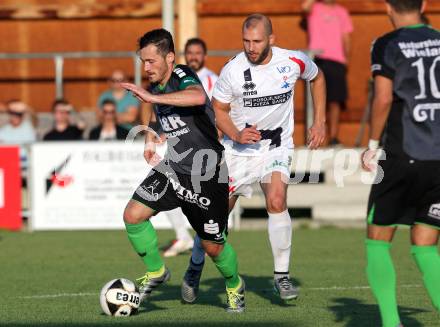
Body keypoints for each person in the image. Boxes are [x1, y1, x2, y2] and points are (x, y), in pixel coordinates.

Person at [182, 14, 326, 303]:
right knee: (215, 218)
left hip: (277, 148)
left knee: (276, 200)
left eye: (257, 41)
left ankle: (281, 277)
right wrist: (236, 134)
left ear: (272, 39)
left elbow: (318, 77)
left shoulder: (292, 61)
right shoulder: (233, 70)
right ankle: (195, 267)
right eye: (246, 41)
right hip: (238, 152)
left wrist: (319, 121)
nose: (250, 47)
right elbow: (218, 109)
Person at [120, 28, 245, 312]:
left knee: (213, 246)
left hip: (207, 174)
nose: (146, 67)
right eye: (143, 62)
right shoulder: (156, 87)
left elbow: (197, 97)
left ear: (170, 58)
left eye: (151, 61)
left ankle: (235, 285)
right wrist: (152, 134)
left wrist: (152, 100)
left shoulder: (182, 75)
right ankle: (156, 271)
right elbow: (156, 110)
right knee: (133, 216)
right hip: (174, 169)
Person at [361, 1, 440, 326]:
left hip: (402, 154)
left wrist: (370, 145)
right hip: (438, 159)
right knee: (425, 244)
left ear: (386, 6)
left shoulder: (387, 44)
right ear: (422, 4)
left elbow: (382, 98)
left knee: (377, 241)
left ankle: (392, 323)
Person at [159, 37, 222, 258]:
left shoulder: (213, 80)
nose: (194, 56)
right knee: (168, 187)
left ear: (204, 55)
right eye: (190, 53)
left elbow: (219, 113)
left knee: (202, 199)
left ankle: (206, 238)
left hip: (205, 147)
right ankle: (183, 236)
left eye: (198, 53)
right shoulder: (175, 78)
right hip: (180, 146)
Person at [302, 0, 353, 145]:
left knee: (335, 100)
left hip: (337, 60)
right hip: (317, 58)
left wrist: (346, 60)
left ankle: (334, 137)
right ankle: (312, 137)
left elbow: (346, 38)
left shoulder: (342, 12)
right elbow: (305, 6)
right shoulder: (314, 8)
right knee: (316, 99)